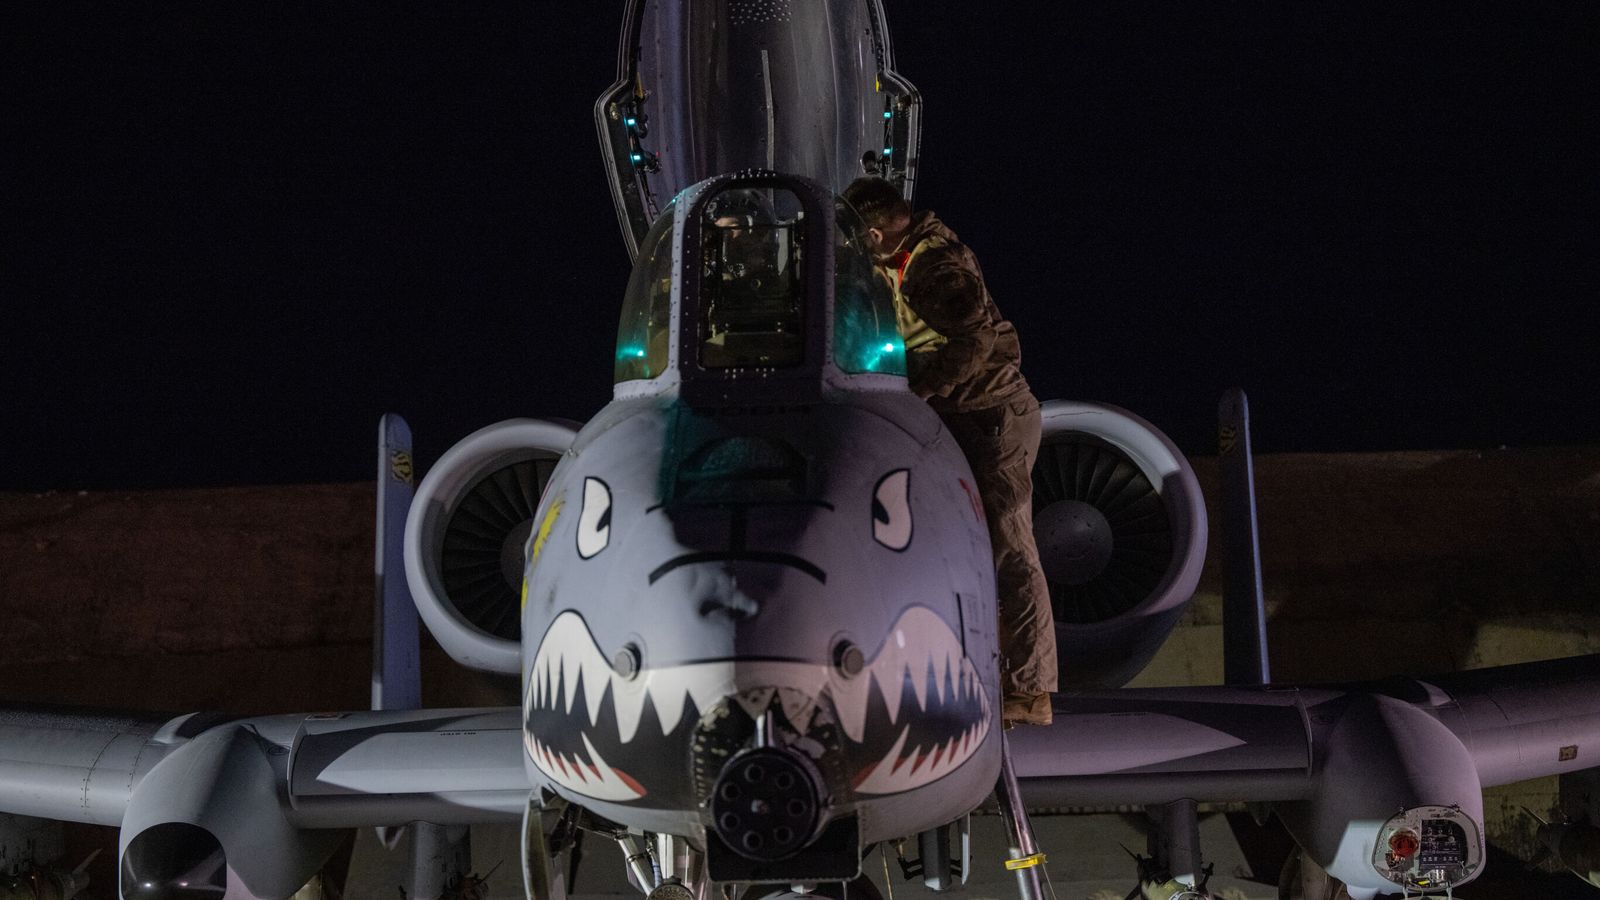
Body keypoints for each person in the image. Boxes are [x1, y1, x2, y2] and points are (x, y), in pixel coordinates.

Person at [842, 176, 1057, 727]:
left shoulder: (935, 266)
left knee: (1011, 546)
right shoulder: (899, 260)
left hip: (992, 416)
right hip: (962, 417)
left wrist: (922, 391)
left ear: (872, 232)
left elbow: (974, 341)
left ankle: (1031, 690)